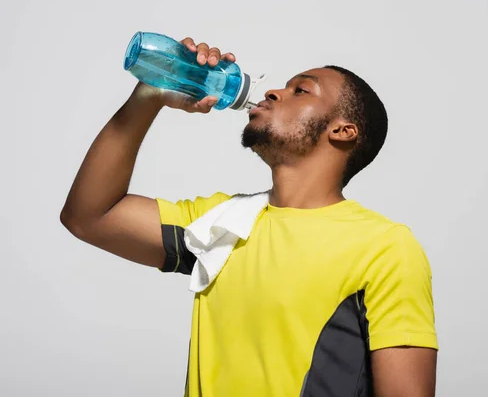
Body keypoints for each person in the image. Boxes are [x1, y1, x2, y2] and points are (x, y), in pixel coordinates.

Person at [61, 37, 438, 397]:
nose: (274, 91)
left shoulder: (385, 247)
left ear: (342, 131)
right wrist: (150, 95)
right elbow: (90, 215)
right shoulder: (222, 223)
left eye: (301, 90)